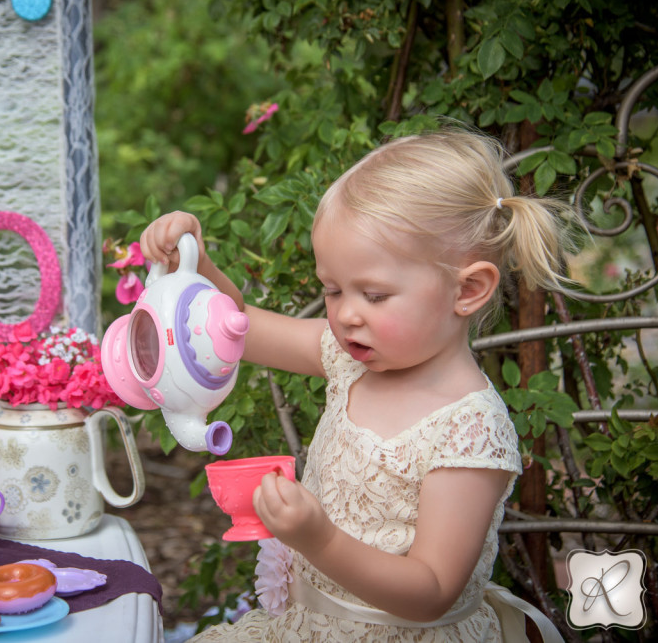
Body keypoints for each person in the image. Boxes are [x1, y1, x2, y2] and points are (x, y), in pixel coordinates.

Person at [139, 129, 570, 641]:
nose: (346, 315)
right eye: (333, 289)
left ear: (468, 289)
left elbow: (432, 591)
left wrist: (318, 539)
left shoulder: (470, 430)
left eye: (374, 295)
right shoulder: (352, 362)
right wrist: (193, 266)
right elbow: (239, 327)